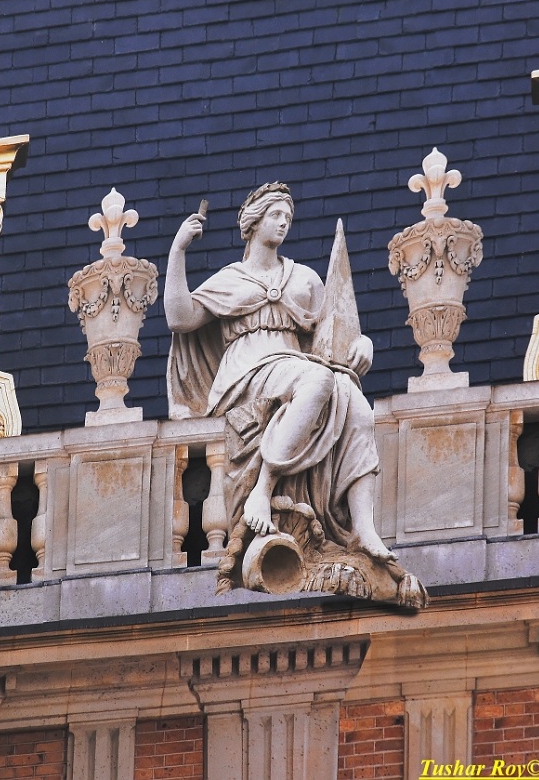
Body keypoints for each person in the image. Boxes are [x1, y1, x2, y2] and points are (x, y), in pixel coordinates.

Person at [165, 182, 394, 563]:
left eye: (288, 216)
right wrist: (178, 250)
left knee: (355, 399)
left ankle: (363, 527)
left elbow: (333, 334)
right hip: (246, 376)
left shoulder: (304, 279)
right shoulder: (230, 279)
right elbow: (179, 317)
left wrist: (363, 344)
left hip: (294, 370)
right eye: (275, 215)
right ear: (253, 223)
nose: (284, 222)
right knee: (320, 379)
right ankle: (263, 487)